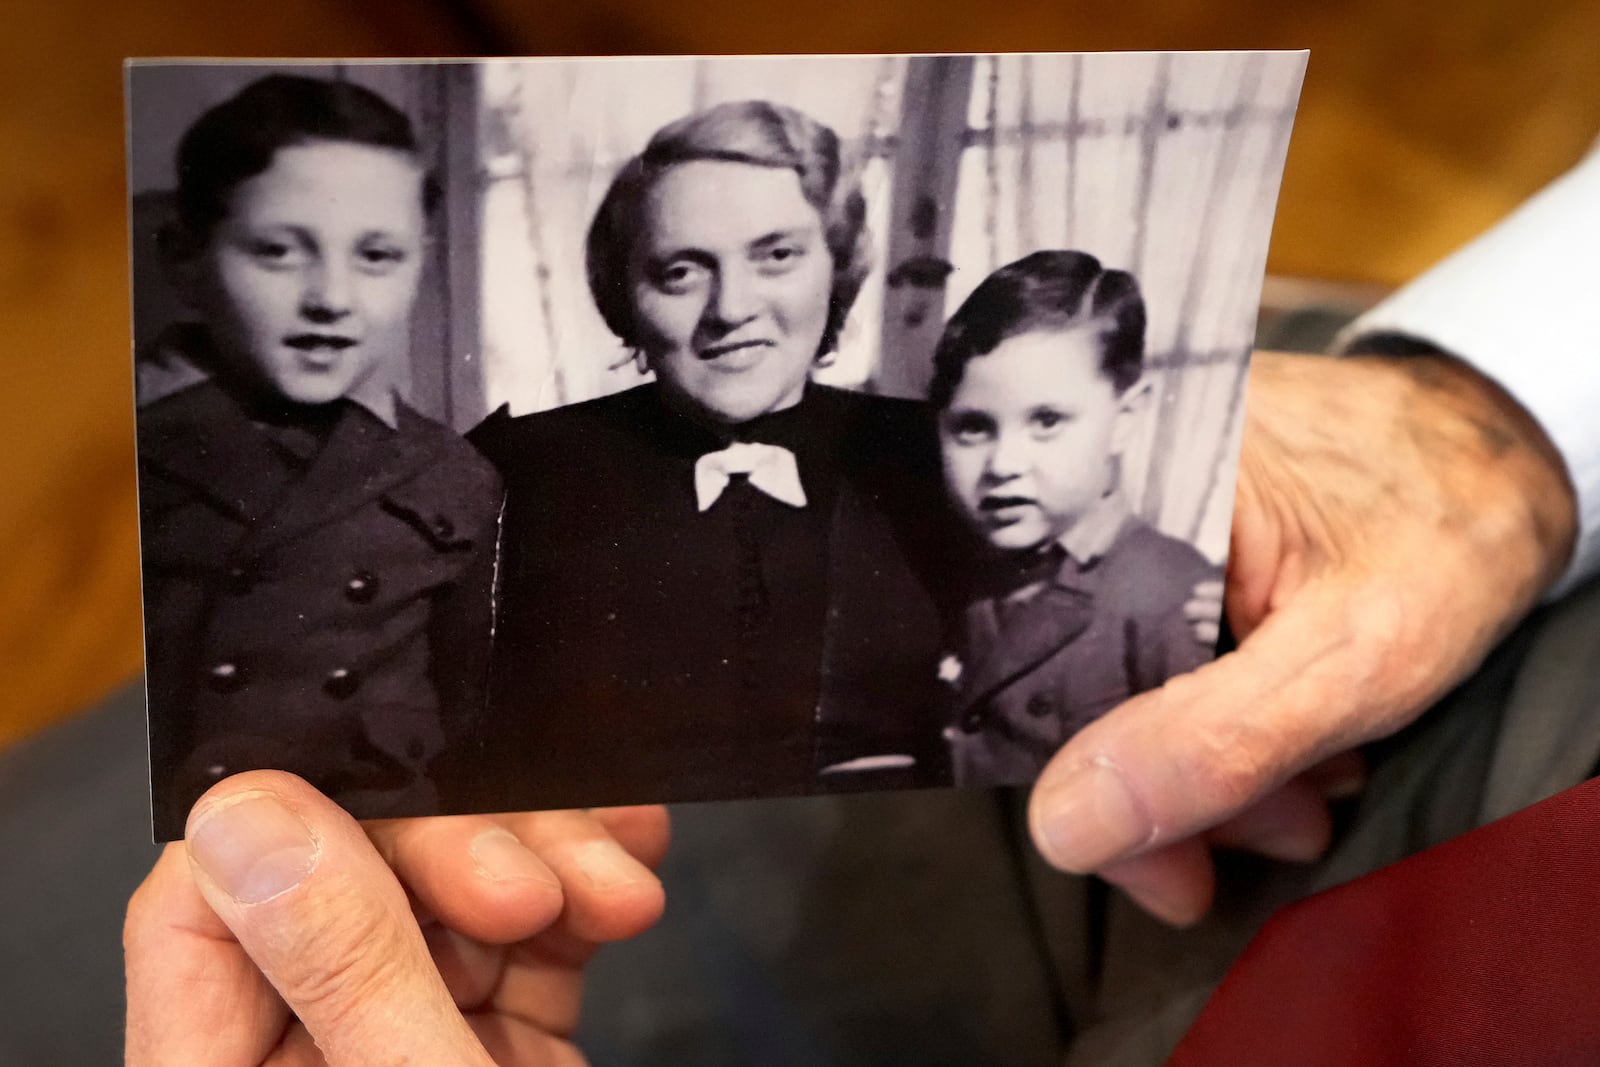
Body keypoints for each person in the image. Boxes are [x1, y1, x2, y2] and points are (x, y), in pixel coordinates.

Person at [464, 100, 956, 812]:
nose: (732, 307)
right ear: (625, 295)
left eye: (776, 255)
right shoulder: (520, 471)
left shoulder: (933, 457)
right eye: (682, 271)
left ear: (837, 265)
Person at [136, 74, 502, 839]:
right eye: (277, 251)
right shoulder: (114, 450)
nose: (331, 297)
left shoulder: (452, 477)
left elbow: (467, 723)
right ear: (183, 257)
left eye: (377, 256)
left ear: (420, 265)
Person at [929, 250, 1219, 786]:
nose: (1004, 466)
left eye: (1046, 421)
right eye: (973, 427)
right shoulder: (956, 568)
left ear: (1125, 419)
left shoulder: (1170, 596)